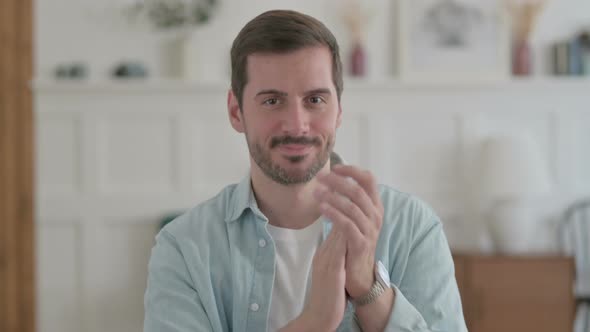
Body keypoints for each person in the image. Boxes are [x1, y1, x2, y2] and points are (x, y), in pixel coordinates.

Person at [144, 9, 467, 332]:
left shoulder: (412, 227)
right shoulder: (183, 247)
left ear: (339, 109)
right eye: (272, 101)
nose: (297, 125)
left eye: (314, 99)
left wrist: (369, 288)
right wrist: (315, 322)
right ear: (235, 111)